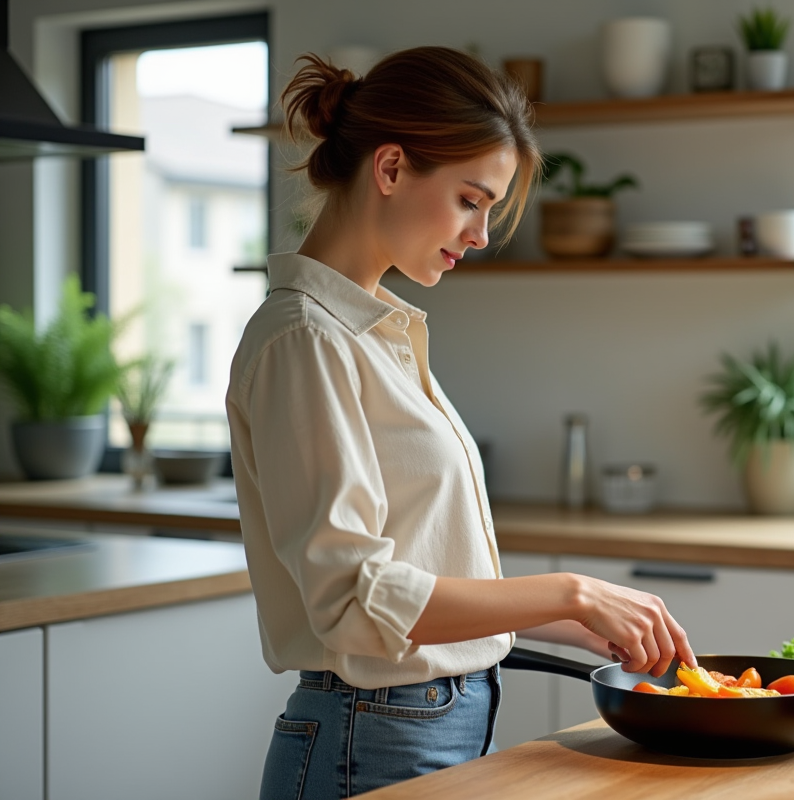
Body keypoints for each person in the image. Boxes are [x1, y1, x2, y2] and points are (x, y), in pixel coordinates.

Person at [225, 47, 695, 800]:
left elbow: (414, 576)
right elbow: (353, 598)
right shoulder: (307, 340)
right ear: (390, 168)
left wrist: (576, 624)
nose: (480, 234)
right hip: (368, 739)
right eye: (471, 199)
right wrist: (570, 592)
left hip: (422, 726)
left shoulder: (371, 334)